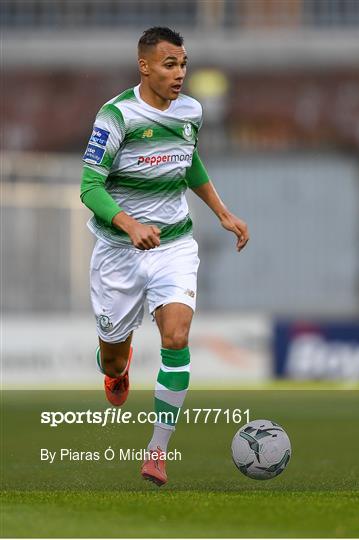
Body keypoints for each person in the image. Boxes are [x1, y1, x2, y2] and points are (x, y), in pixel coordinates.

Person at [80, 26, 249, 486]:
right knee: (113, 358)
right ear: (146, 66)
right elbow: (89, 188)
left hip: (174, 244)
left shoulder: (191, 111)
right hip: (119, 251)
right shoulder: (116, 117)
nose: (180, 74)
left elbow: (189, 160)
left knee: (176, 336)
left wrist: (222, 212)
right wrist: (130, 225)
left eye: (183, 64)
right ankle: (117, 366)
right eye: (170, 65)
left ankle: (157, 451)